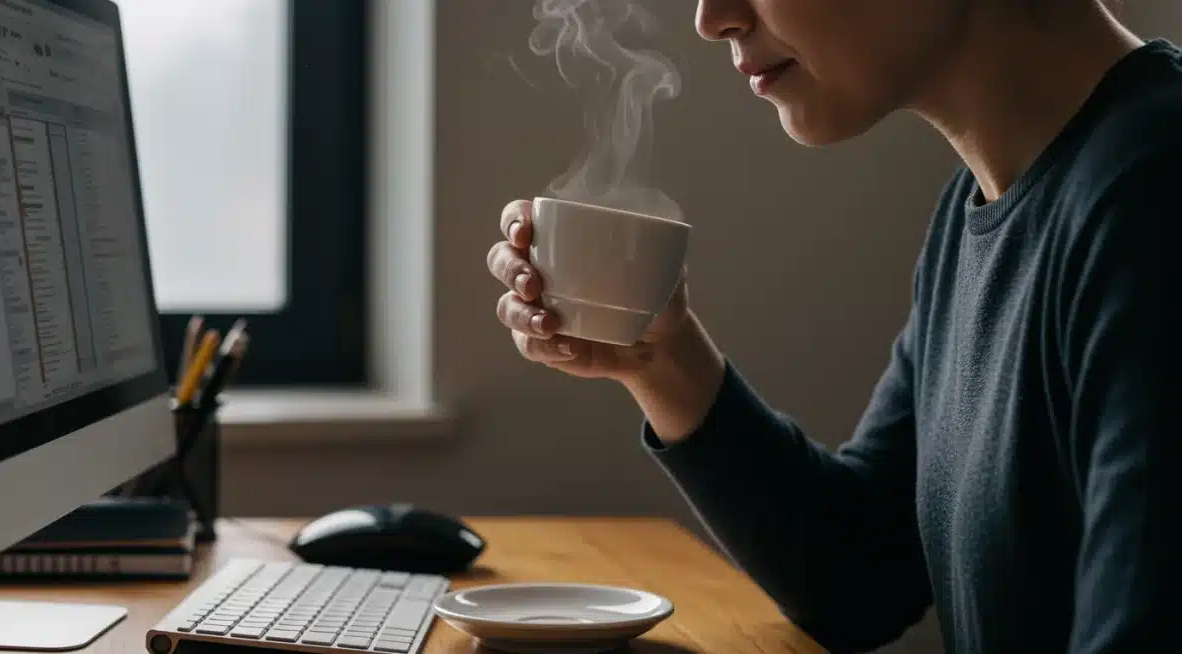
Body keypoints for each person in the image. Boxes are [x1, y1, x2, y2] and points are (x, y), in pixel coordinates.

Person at [486, 0, 1182, 651]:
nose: (712, 17)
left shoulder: (1153, 201)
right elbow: (860, 577)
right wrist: (661, 360)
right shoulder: (981, 213)